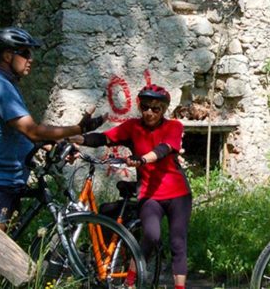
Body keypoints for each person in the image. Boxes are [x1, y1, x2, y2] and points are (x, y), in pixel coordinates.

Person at [0, 26, 103, 227]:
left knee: (3, 250)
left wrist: (54, 144)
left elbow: (17, 134)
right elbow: (31, 130)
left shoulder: (4, 83)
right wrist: (78, 129)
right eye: (24, 52)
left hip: (7, 181)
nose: (30, 58)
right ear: (7, 56)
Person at [80, 84, 191, 289]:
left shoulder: (174, 126)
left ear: (164, 110)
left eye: (155, 109)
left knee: (178, 243)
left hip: (178, 194)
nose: (149, 112)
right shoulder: (132, 126)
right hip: (150, 194)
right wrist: (76, 138)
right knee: (151, 235)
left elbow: (164, 149)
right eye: (145, 107)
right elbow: (104, 138)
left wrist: (142, 160)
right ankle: (130, 283)